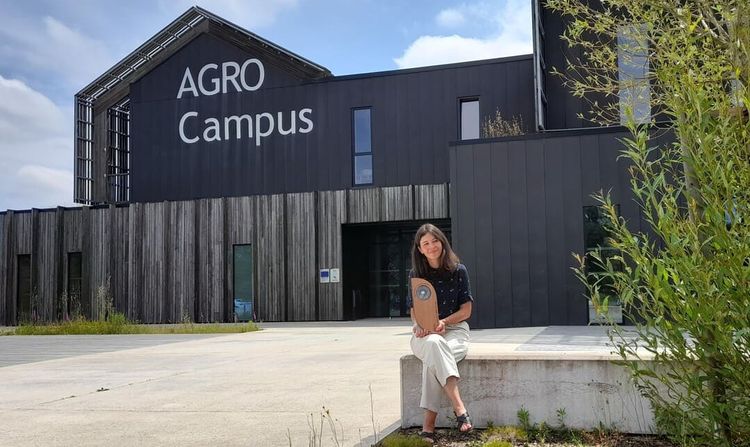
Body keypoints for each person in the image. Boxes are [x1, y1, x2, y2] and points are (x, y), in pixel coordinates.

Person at [408, 223, 474, 443]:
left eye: (434, 241)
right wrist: (419, 325)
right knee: (434, 344)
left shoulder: (459, 270)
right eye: (425, 243)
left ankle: (428, 425)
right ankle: (460, 408)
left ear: (442, 242)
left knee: (433, 362)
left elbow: (466, 311)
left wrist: (445, 321)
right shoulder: (416, 274)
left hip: (455, 330)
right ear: (420, 249)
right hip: (424, 334)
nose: (431, 246)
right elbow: (414, 310)